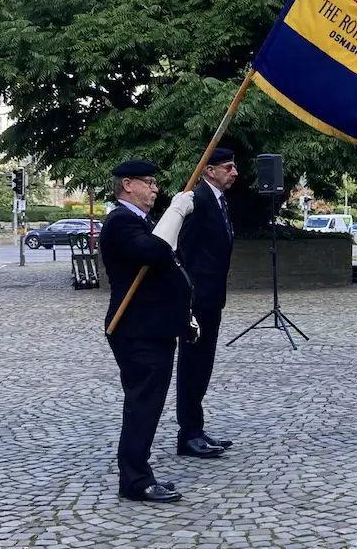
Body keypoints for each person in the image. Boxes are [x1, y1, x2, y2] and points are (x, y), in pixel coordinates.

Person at [100, 160, 201, 503]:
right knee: (143, 405)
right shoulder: (121, 221)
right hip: (136, 330)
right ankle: (135, 481)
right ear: (128, 184)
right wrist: (176, 211)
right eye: (149, 182)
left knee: (149, 404)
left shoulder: (142, 220)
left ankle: (138, 474)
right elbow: (155, 252)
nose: (155, 188)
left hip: (153, 328)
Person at [175, 148, 238, 458]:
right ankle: (188, 434)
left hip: (212, 298)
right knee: (192, 366)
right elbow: (182, 251)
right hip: (197, 300)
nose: (235, 172)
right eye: (228, 167)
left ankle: (196, 429)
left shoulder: (218, 200)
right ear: (210, 171)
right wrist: (188, 296)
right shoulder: (197, 201)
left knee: (203, 366)